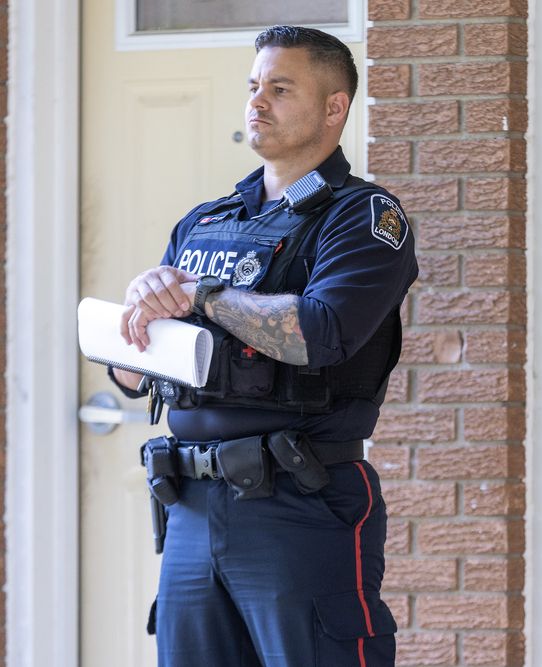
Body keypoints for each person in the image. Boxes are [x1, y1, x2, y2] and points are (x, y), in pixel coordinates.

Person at [108, 25, 416, 667]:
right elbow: (134, 374)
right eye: (253, 86)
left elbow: (321, 331)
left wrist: (201, 296)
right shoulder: (206, 222)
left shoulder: (363, 217)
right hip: (188, 507)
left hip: (299, 504)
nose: (257, 101)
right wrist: (142, 304)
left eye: (280, 87)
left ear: (335, 107)